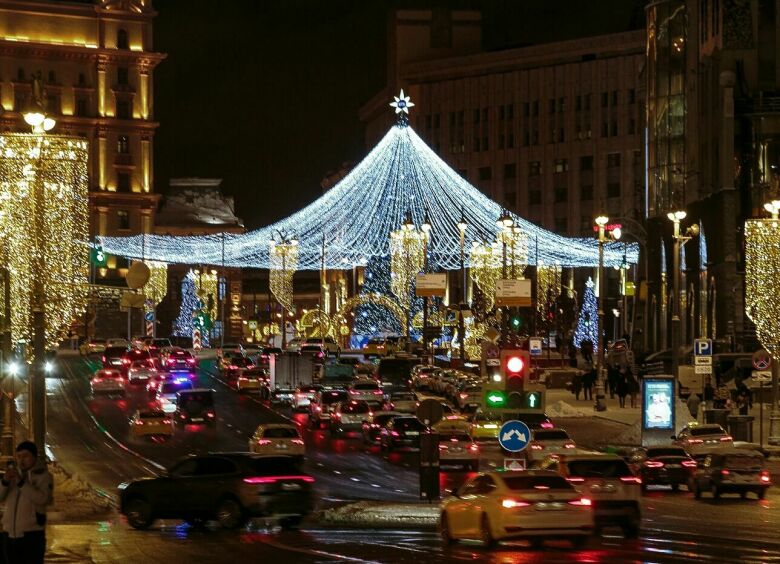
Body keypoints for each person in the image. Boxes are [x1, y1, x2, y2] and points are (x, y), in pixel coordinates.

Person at [0, 441, 53, 564]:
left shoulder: (43, 476)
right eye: (18, 456)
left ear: (34, 457)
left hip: (31, 536)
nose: (21, 460)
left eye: (25, 456)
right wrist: (5, 482)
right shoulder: (14, 475)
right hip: (9, 535)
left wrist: (21, 483)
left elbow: (43, 499)